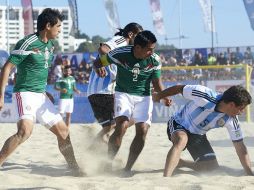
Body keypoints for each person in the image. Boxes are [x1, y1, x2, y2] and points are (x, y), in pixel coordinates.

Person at [0, 8, 84, 176]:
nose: (60, 30)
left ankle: (74, 168)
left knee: (64, 132)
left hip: (40, 95)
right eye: (58, 26)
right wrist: (1, 95)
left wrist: (44, 92)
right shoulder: (28, 42)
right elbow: (7, 67)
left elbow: (40, 70)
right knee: (25, 132)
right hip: (24, 92)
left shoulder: (51, 45)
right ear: (48, 25)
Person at [94, 30, 171, 174]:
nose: (152, 52)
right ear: (137, 48)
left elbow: (157, 82)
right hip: (123, 93)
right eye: (149, 49)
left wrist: (164, 96)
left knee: (142, 130)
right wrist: (98, 68)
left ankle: (127, 168)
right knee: (121, 126)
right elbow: (98, 61)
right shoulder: (119, 53)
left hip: (144, 96)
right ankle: (108, 163)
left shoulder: (154, 60)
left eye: (153, 49)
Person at [152, 84, 253, 177]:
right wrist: (159, 96)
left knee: (211, 168)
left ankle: (181, 163)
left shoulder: (232, 120)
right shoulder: (204, 95)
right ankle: (166, 178)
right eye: (241, 108)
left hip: (197, 135)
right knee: (182, 139)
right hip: (179, 122)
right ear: (231, 104)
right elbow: (179, 88)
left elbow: (240, 147)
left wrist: (249, 173)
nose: (241, 112)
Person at [87, 23, 143, 146]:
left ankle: (94, 149)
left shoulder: (128, 52)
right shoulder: (121, 40)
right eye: (139, 36)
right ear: (130, 34)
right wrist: (101, 63)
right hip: (104, 91)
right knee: (129, 118)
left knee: (109, 126)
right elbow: (103, 49)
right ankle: (104, 146)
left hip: (94, 92)